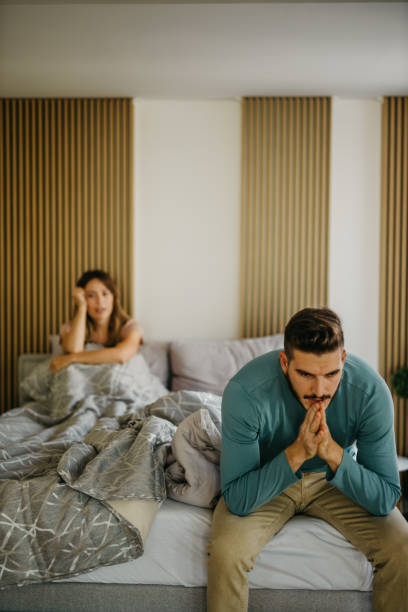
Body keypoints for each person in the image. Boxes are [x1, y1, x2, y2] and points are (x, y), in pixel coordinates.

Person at [207, 307, 408, 612]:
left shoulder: (370, 391)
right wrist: (297, 452)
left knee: (403, 546)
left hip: (335, 478)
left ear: (343, 360)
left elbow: (385, 498)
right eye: (306, 375)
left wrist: (333, 454)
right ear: (285, 362)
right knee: (226, 551)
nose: (320, 390)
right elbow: (237, 498)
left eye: (331, 374)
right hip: (268, 479)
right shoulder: (244, 391)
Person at [50, 269, 142, 373]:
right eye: (91, 295)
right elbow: (73, 350)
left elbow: (121, 355)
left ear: (113, 297)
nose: (100, 302)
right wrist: (81, 307)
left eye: (105, 294)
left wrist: (72, 358)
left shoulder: (129, 326)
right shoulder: (71, 328)